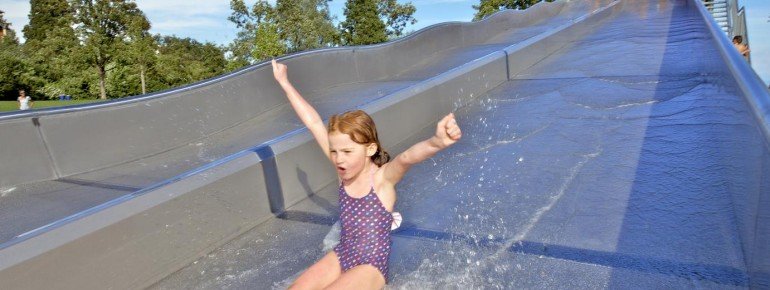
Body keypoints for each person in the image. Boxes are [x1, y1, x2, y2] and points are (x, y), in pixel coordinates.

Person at [272, 59, 462, 289]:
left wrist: (437, 142)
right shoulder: (342, 170)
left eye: (347, 152)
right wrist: (284, 82)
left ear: (369, 149)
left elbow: (406, 158)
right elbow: (313, 123)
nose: (338, 158)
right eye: (334, 151)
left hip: (370, 267)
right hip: (343, 253)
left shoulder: (382, 179)